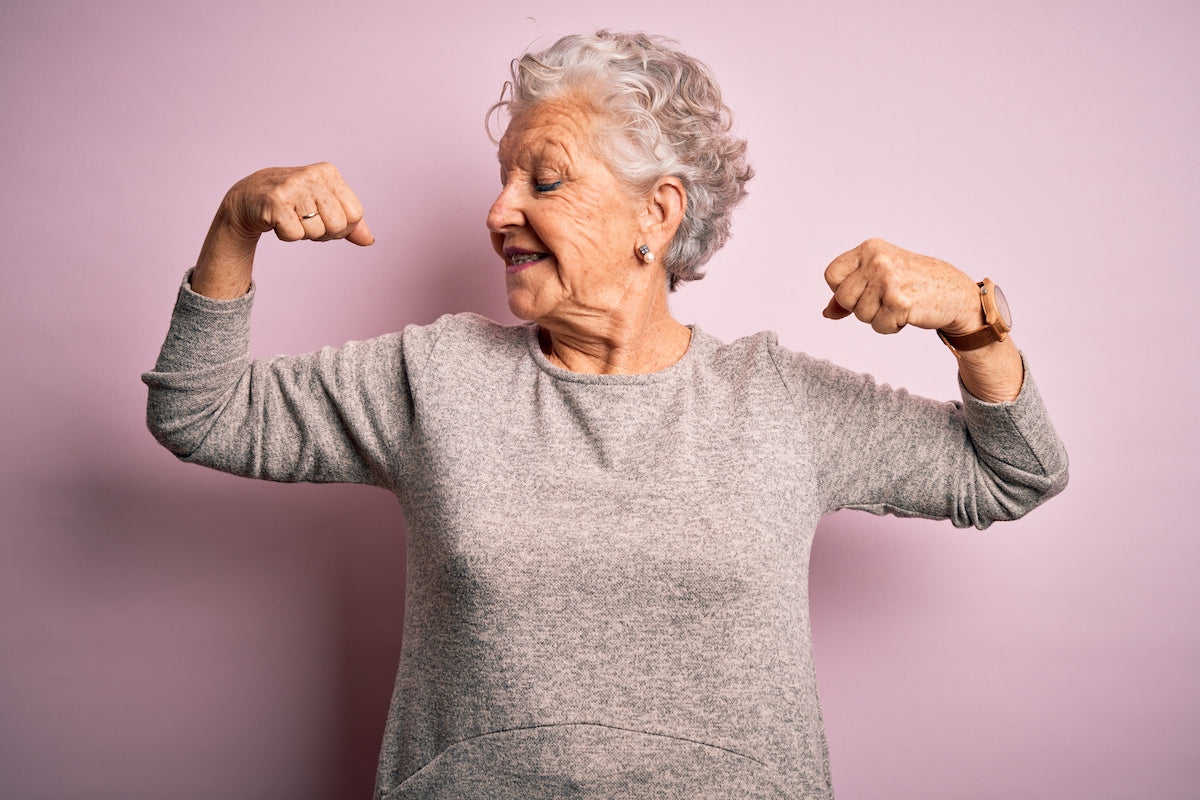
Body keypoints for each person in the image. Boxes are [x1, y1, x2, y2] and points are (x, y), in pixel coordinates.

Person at [144, 30, 1067, 800]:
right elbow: (203, 411)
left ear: (657, 215)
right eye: (503, 179)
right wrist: (236, 220)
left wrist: (975, 328)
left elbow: (1014, 470)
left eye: (542, 182)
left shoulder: (777, 402)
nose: (499, 210)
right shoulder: (437, 376)